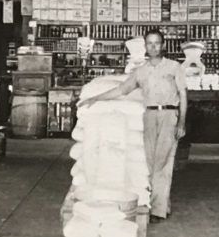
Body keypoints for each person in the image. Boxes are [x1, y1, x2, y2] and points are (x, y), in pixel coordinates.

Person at [79, 29, 187, 221]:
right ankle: (162, 204)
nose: (153, 47)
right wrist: (94, 98)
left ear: (163, 45)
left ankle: (158, 210)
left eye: (157, 43)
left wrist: (181, 122)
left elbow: (183, 96)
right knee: (151, 162)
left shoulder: (174, 67)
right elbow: (121, 90)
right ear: (145, 47)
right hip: (149, 115)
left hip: (169, 114)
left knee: (163, 163)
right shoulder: (141, 71)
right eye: (149, 43)